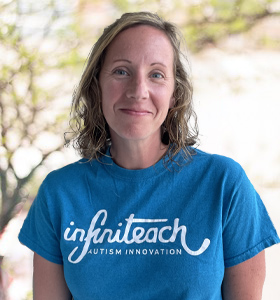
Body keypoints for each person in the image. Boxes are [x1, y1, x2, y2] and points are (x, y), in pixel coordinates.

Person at [19, 12, 279, 300]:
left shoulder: (223, 184)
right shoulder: (59, 194)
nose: (138, 90)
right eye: (121, 71)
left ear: (174, 94)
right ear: (97, 86)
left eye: (156, 74)